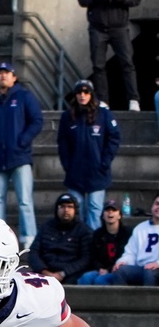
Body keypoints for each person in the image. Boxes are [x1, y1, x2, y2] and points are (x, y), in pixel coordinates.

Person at [0, 61, 43, 249]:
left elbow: (37, 121)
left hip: (19, 157)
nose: (3, 75)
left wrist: (23, 140)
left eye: (7, 73)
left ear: (14, 78)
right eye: (0, 73)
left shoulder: (24, 97)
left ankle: (29, 238)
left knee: (25, 201)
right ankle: (0, 239)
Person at [78, 0, 141, 111]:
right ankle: (103, 100)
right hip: (98, 28)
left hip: (119, 27)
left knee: (127, 63)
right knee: (98, 66)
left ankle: (133, 99)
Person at [56, 80, 120, 231]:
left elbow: (114, 138)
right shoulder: (67, 116)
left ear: (91, 94)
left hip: (97, 172)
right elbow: (62, 143)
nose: (82, 95)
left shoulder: (104, 114)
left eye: (86, 92)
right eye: (79, 92)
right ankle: (77, 242)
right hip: (75, 172)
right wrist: (67, 164)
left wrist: (105, 162)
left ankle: (93, 243)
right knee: (75, 211)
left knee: (94, 210)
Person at [93, 195, 159, 286]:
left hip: (156, 269)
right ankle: (118, 296)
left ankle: (149, 296)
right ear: (152, 206)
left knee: (150, 273)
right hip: (140, 268)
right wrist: (122, 261)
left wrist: (157, 263)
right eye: (157, 204)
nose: (158, 207)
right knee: (121, 270)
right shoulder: (140, 228)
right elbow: (130, 252)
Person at [28, 194, 92, 283]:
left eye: (70, 207)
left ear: (75, 210)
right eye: (62, 206)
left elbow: (86, 259)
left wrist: (63, 273)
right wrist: (44, 271)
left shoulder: (84, 230)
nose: (66, 210)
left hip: (71, 274)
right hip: (45, 272)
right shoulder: (46, 227)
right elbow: (33, 252)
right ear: (56, 209)